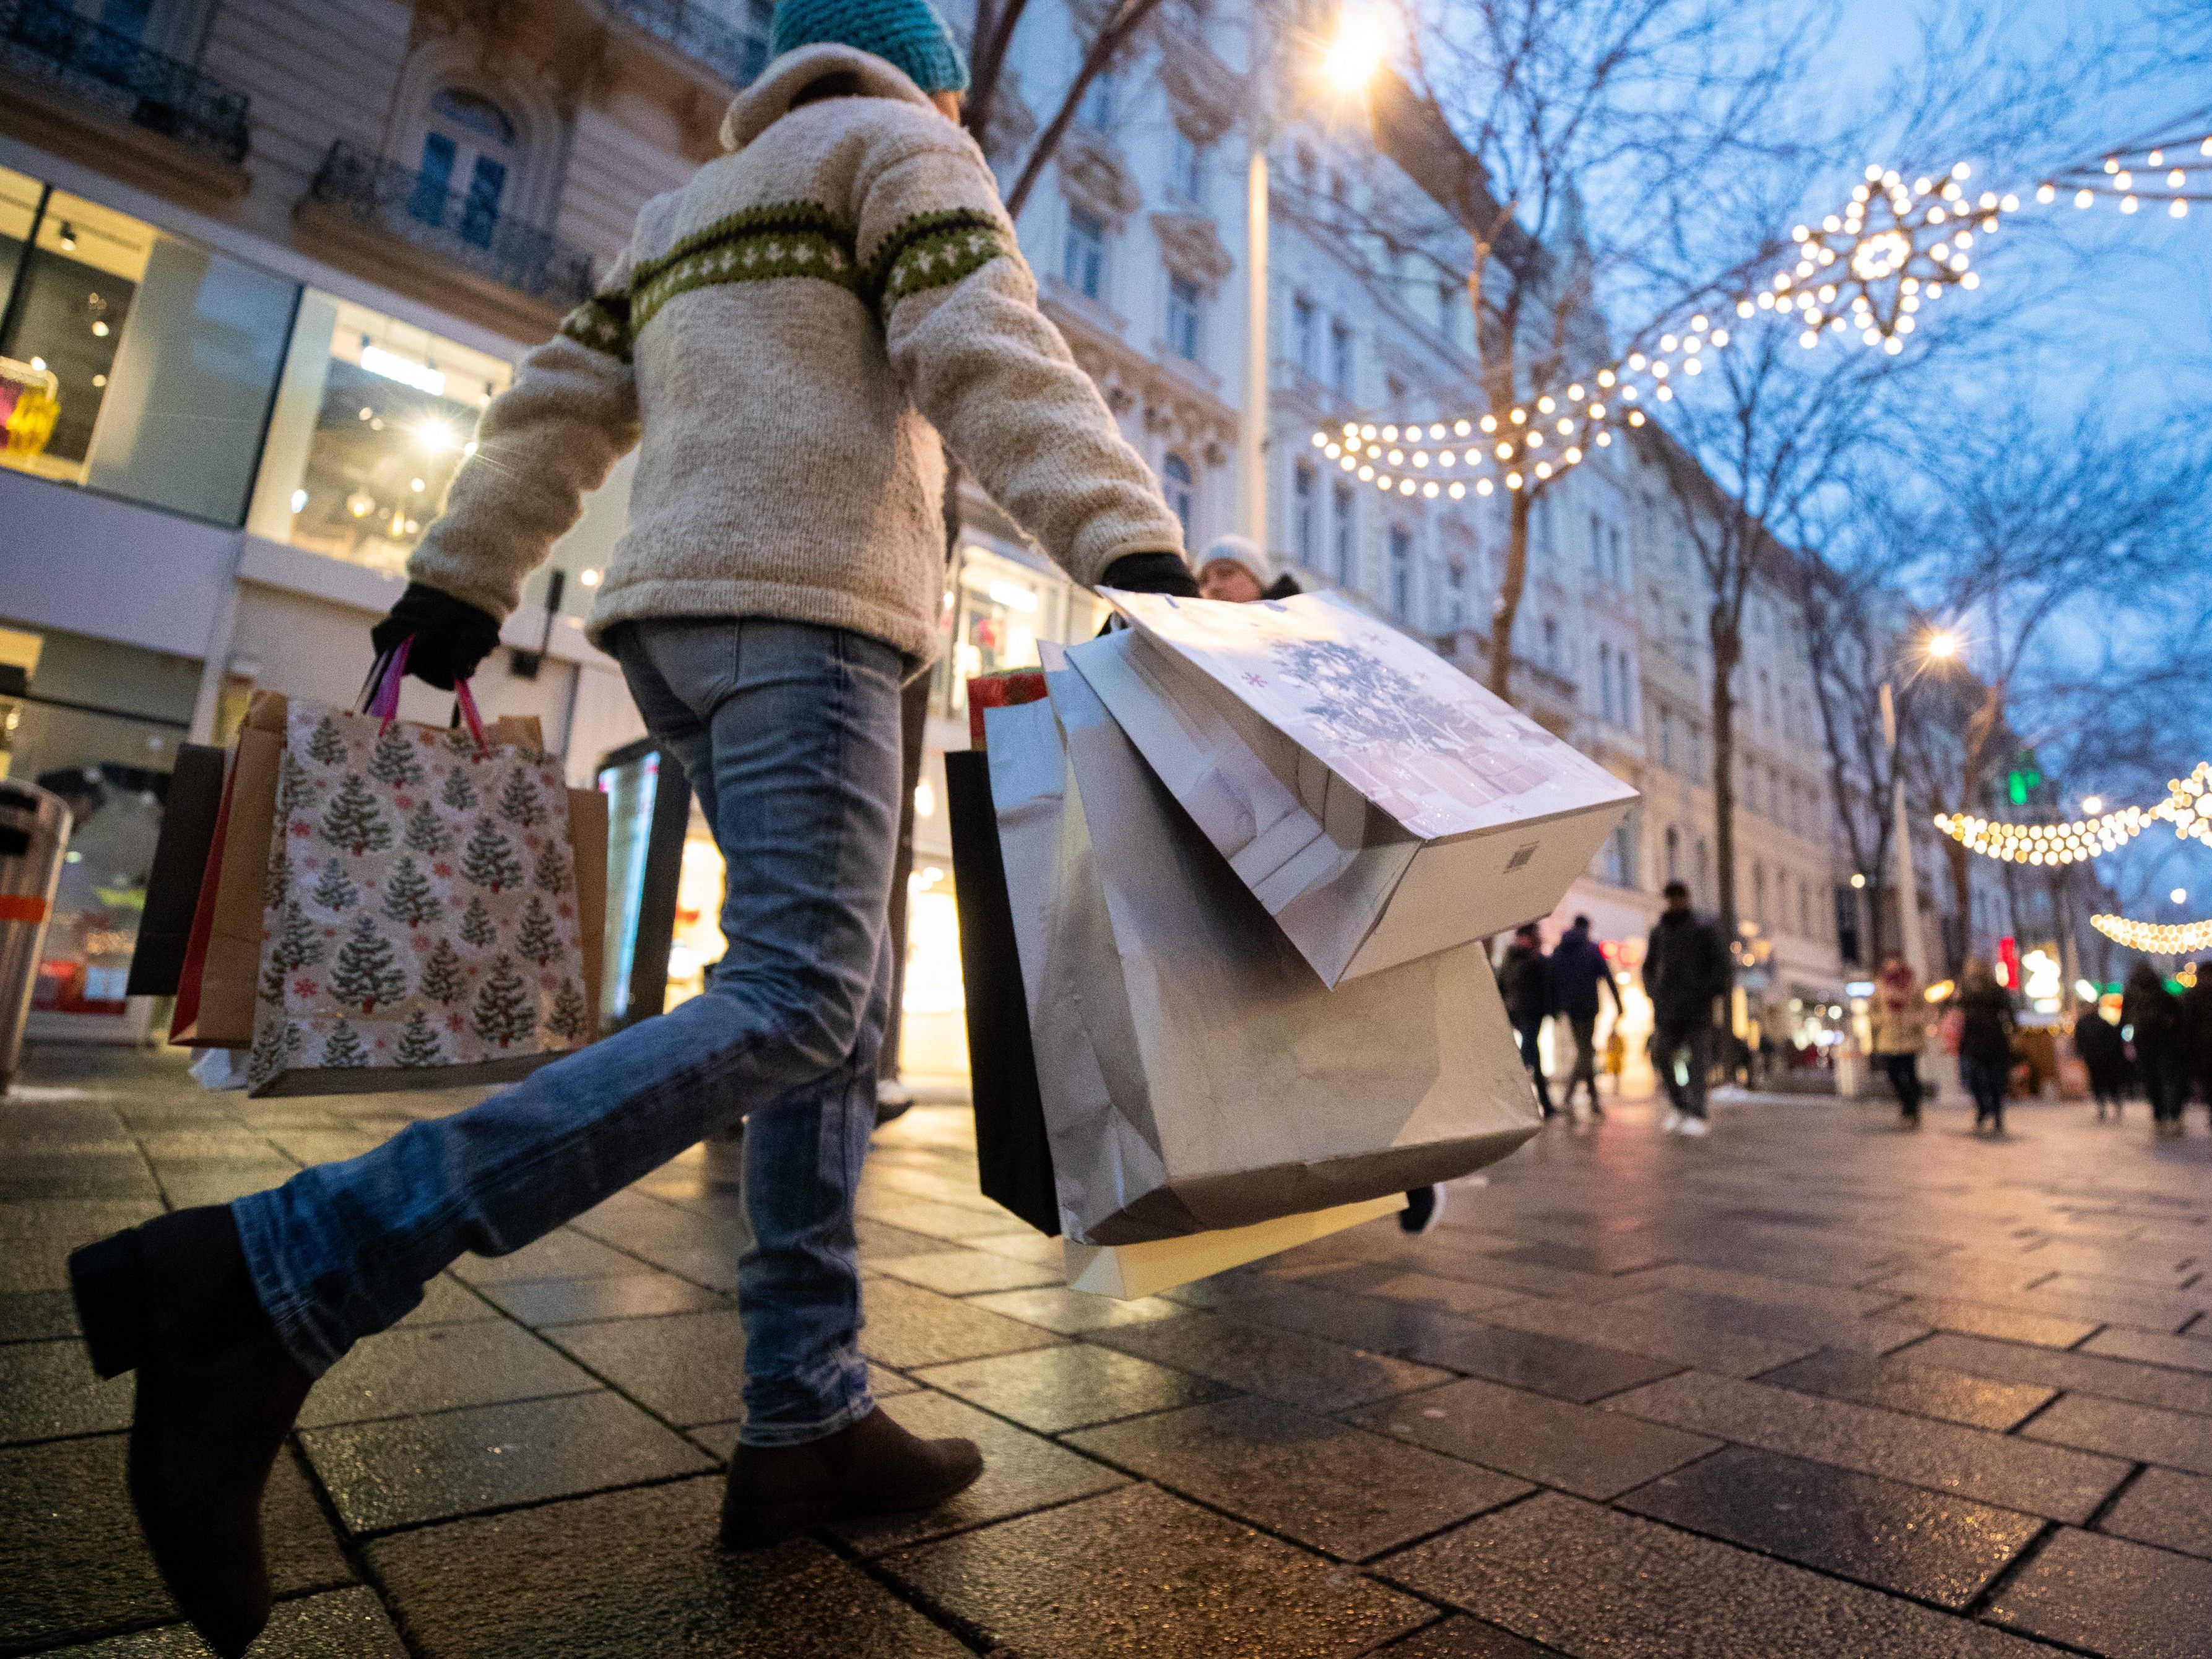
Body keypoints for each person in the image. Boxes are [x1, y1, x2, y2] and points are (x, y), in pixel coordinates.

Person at [64, 6, 1200, 1652]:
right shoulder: (903, 149)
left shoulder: (681, 208)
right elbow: (983, 340)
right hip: (810, 612)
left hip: (678, 625)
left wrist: (460, 579)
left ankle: (805, 1417)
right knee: (805, 995)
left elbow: (554, 401)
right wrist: (1130, 551)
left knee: (838, 1020)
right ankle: (279, 1269)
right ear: (926, 76)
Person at [1643, 880, 1728, 1136]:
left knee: (1697, 1061)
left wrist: (1706, 992)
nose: (1675, 902)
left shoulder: (1703, 929)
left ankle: (1698, 1112)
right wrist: (1654, 995)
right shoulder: (1659, 931)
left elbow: (1721, 966)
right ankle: (1681, 1106)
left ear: (1687, 898)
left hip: (1697, 1008)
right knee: (1660, 1054)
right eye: (1671, 897)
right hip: (1668, 1008)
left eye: (1679, 897)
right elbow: (1648, 967)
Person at [1548, 914, 1623, 1119]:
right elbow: (1608, 977)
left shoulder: (1561, 949)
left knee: (1584, 1049)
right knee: (1585, 1052)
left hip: (1570, 1008)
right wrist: (1619, 1005)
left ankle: (1594, 1100)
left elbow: (1552, 979)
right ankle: (1569, 1096)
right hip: (1589, 1008)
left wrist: (1555, 1008)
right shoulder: (1591, 949)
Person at [1497, 921, 1558, 1119]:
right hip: (1524, 1012)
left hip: (1532, 1012)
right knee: (1527, 1054)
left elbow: (1547, 984)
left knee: (1534, 1054)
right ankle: (1512, 1098)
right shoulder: (1517, 957)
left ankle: (1546, 1104)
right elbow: (1508, 983)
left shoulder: (1532, 957)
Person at [2123, 960, 2188, 1138]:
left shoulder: (2131, 995)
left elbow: (2125, 1021)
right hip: (2166, 1045)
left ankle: (2159, 1117)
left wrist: (2127, 1043)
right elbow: (2179, 1018)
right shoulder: (2163, 995)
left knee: (2152, 1082)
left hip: (2144, 1045)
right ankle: (2174, 1117)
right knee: (2168, 1081)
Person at [1954, 956, 2016, 1133]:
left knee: (1994, 1080)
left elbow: (2008, 1011)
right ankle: (1985, 1109)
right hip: (1974, 1040)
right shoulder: (1965, 988)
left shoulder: (1996, 989)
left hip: (1992, 1039)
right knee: (1973, 1077)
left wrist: (2014, 1032)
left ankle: (1996, 1115)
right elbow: (1956, 1008)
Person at [1867, 952, 1928, 1127]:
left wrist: (1914, 1020)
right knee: (1893, 1075)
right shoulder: (1880, 986)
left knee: (1911, 1075)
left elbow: (1924, 1009)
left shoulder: (1913, 984)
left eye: (1894, 962)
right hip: (1889, 1038)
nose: (1891, 965)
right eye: (1888, 963)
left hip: (1910, 1038)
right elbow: (1873, 1010)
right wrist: (1880, 1021)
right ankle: (1906, 1105)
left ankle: (1913, 1109)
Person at [2070, 993, 2129, 1122]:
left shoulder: (2086, 1023)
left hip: (2095, 1058)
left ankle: (2106, 1105)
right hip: (2102, 1058)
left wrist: (2082, 1053)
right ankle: (2110, 1104)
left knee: (2099, 1082)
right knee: (2105, 1082)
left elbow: (2079, 1042)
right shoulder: (2102, 1023)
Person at [1196, 534, 1303, 603]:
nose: (1213, 586)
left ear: (1256, 580)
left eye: (1225, 573)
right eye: (1203, 581)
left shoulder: (1295, 632)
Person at [2179, 963, 2212, 1130]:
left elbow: (2186, 1026)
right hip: (2202, 1048)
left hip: (2201, 1047)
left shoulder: (2191, 996)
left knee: (2206, 1080)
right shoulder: (2192, 997)